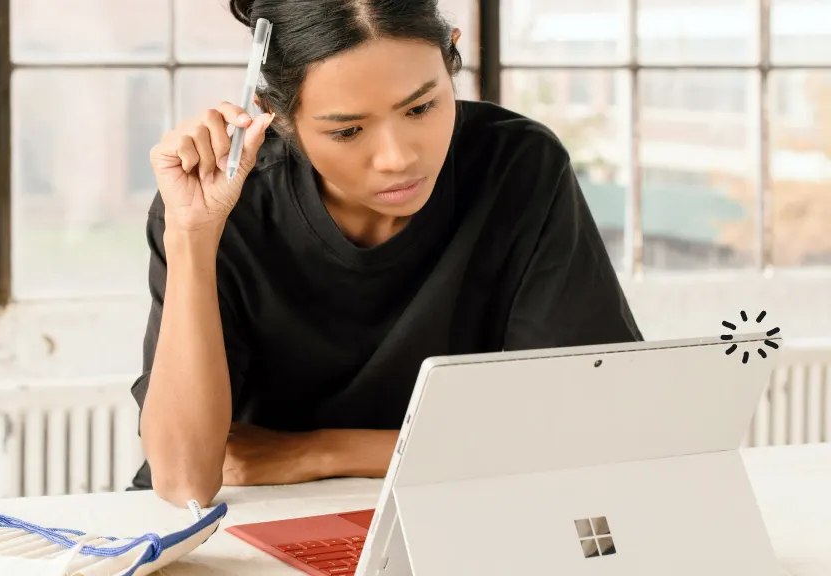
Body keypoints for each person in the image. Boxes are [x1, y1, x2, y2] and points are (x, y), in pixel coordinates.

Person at [132, 0, 643, 507]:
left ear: (451, 61)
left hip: (439, 504)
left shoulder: (518, 167)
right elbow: (183, 482)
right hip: (255, 517)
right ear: (276, 115)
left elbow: (592, 428)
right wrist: (193, 233)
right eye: (347, 130)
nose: (398, 158)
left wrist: (318, 452)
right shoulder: (218, 204)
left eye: (421, 107)